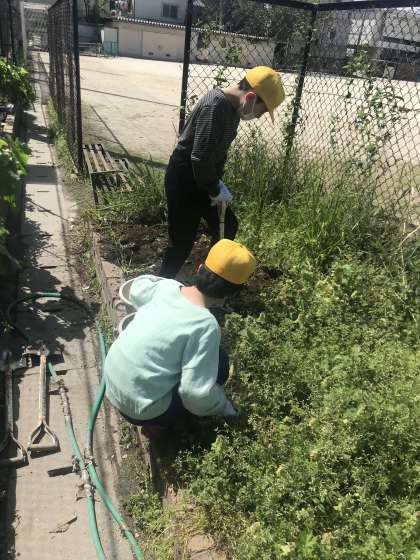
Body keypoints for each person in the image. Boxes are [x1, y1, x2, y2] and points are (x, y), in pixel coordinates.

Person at [104, 239, 256, 438]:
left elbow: (137, 288)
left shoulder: (167, 288)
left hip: (110, 384)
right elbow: (195, 393)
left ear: (199, 268)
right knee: (220, 365)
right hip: (141, 410)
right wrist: (225, 408)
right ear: (234, 292)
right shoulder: (205, 325)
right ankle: (158, 424)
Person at [159, 66, 285, 279]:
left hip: (204, 176)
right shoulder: (215, 106)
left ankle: (210, 278)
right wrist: (215, 188)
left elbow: (216, 152)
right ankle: (160, 284)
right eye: (262, 111)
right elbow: (199, 157)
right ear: (250, 97)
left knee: (227, 227)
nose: (259, 117)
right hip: (184, 178)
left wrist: (217, 182)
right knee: (181, 243)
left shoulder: (234, 109)